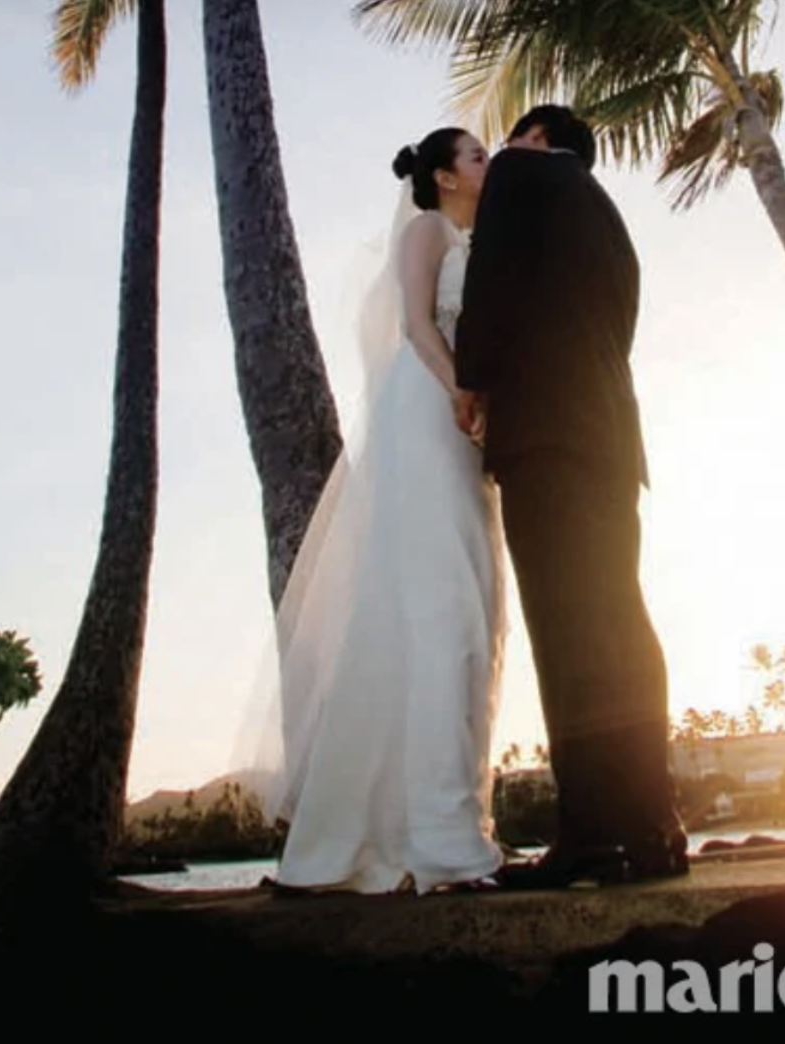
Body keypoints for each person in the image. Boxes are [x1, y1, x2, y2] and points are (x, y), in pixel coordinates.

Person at [241, 127, 507, 895]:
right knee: (441, 606)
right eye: (478, 156)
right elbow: (419, 325)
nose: (488, 165)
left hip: (463, 420)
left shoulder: (478, 239)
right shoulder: (427, 231)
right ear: (445, 177)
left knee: (471, 608)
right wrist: (461, 390)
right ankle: (439, 838)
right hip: (428, 411)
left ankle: (447, 822)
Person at [453, 105, 690, 888]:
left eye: (508, 142)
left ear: (535, 139)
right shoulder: (609, 219)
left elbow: (489, 280)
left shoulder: (524, 175)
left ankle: (590, 834)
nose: (500, 158)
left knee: (566, 634)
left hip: (547, 436)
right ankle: (654, 828)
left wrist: (472, 375)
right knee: (621, 625)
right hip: (612, 439)